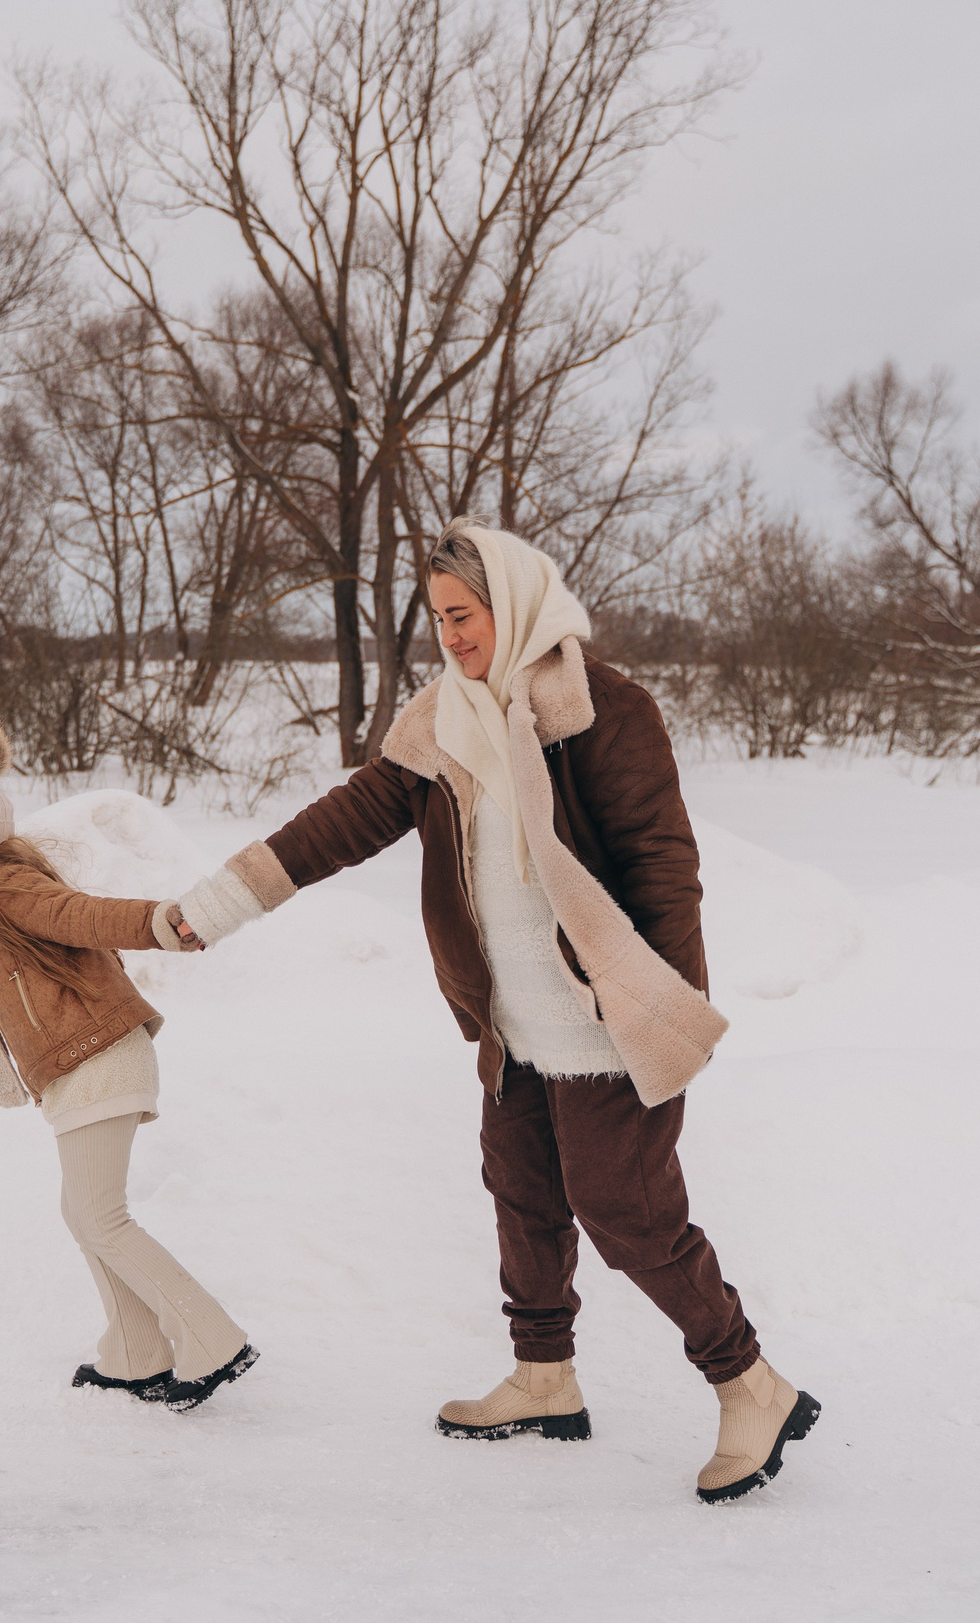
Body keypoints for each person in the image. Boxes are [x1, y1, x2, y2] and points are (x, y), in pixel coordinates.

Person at [171, 519, 816, 1502]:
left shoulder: (602, 708)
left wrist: (656, 1008)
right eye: (437, 618)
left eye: (463, 614)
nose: (451, 636)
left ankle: (750, 1381)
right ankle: (543, 1377)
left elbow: (662, 867)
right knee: (521, 1195)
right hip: (510, 1026)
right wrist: (216, 905)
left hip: (605, 1025)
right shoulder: (444, 721)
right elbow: (341, 822)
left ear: (508, 602)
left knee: (628, 1212)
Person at [0, 716, 258, 1412]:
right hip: (80, 1065)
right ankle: (135, 1355)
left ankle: (212, 1342)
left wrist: (165, 921)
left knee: (100, 1216)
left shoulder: (9, 890)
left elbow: (83, 915)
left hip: (99, 1057)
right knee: (84, 1212)